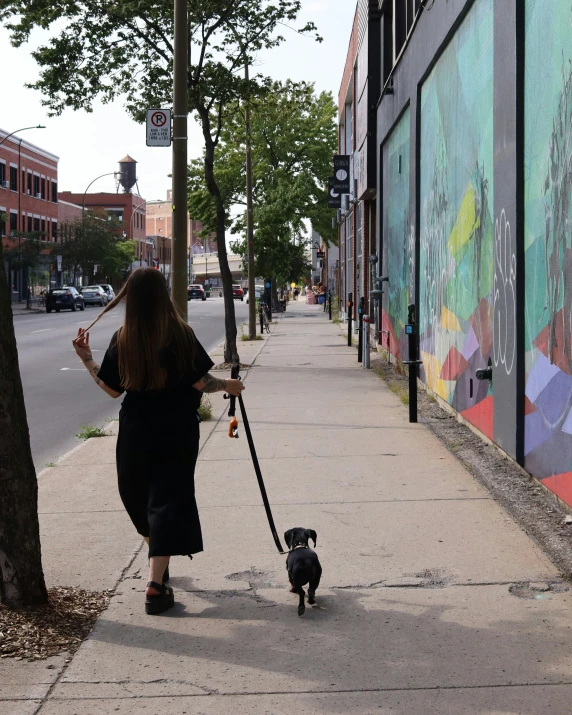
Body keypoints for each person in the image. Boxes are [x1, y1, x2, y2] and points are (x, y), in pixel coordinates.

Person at [72, 268, 244, 615]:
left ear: (131, 300)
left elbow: (111, 390)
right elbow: (200, 383)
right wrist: (229, 386)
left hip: (136, 428)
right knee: (166, 499)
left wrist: (87, 359)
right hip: (177, 428)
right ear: (163, 295)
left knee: (136, 496)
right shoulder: (179, 334)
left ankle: (156, 578)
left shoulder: (124, 337)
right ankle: (157, 578)